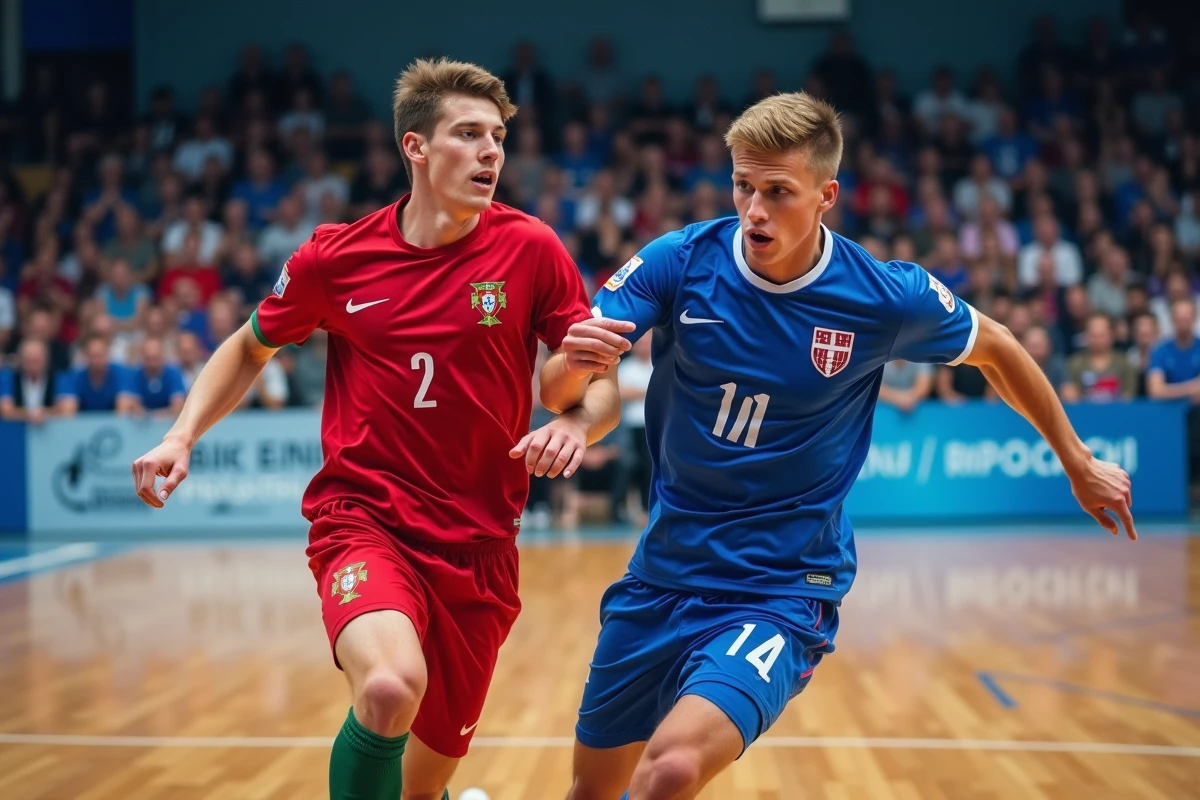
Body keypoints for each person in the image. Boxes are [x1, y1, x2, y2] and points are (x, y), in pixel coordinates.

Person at [565, 92, 1137, 800]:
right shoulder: (681, 261)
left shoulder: (880, 296)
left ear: (826, 195)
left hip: (780, 589)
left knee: (673, 767)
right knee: (591, 791)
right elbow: (571, 378)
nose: (754, 210)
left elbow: (999, 347)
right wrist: (568, 386)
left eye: (778, 192)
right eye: (744, 186)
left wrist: (1076, 460)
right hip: (663, 572)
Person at [132, 58, 631, 800]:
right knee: (391, 688)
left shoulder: (531, 249)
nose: (491, 151)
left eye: (497, 136)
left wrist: (577, 426)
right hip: (364, 520)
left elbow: (599, 387)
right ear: (416, 148)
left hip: (480, 549)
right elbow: (248, 347)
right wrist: (181, 435)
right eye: (469, 134)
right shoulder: (335, 258)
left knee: (419, 789)